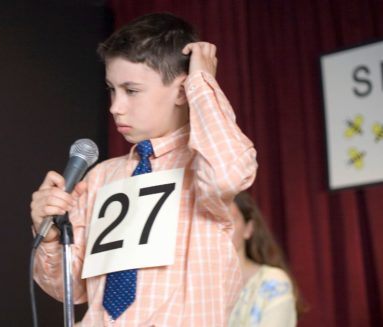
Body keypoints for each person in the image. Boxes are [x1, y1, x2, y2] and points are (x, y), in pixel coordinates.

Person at [31, 12, 258, 326]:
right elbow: (69, 289)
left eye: (131, 91)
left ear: (181, 91)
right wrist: (51, 236)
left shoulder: (202, 166)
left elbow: (229, 173)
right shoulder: (100, 178)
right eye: (112, 89)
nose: (115, 106)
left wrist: (202, 82)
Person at [229, 191, 306, 326]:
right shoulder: (196, 284)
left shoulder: (273, 282)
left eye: (229, 220)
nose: (220, 229)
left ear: (248, 228)